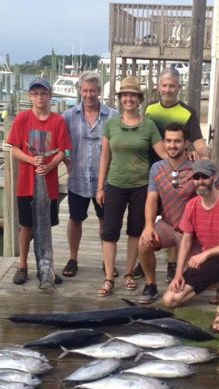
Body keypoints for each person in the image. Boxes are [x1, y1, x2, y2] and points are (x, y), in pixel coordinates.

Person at [133, 66, 215, 283]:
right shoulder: (150, 109)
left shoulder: (188, 112)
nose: (168, 89)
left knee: (175, 217)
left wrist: (205, 158)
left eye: (172, 86)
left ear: (179, 87)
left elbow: (196, 139)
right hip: (153, 171)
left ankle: (172, 264)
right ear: (158, 87)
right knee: (148, 217)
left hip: (178, 170)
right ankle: (144, 261)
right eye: (164, 85)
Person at [138, 123, 219, 304]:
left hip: (194, 233)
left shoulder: (198, 167)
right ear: (164, 142)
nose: (172, 145)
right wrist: (149, 226)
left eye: (177, 141)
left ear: (186, 143)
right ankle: (151, 285)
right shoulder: (157, 168)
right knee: (144, 242)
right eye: (169, 141)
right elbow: (151, 200)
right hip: (168, 225)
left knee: (198, 273)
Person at [162, 159, 219, 333]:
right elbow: (186, 241)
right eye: (196, 177)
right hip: (211, 260)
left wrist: (205, 254)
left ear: (213, 177)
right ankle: (215, 282)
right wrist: (178, 273)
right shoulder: (192, 206)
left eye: (204, 176)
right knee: (170, 299)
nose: (200, 181)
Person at [96, 76, 166, 297]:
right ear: (120, 99)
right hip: (115, 184)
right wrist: (100, 188)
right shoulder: (111, 125)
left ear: (139, 99)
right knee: (109, 233)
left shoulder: (149, 125)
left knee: (135, 231)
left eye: (133, 95)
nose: (129, 99)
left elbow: (164, 153)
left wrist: (186, 158)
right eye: (125, 95)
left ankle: (128, 273)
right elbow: (105, 157)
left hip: (141, 186)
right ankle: (109, 277)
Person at [8, 77, 72, 285]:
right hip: (27, 184)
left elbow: (62, 151)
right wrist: (31, 160)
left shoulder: (58, 121)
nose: (40, 97)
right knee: (26, 226)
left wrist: (49, 165)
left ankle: (46, 268)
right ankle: (22, 266)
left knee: (45, 226)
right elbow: (14, 149)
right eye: (36, 94)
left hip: (49, 184)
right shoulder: (22, 119)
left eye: (44, 93)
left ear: (50, 95)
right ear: (30, 96)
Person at [61, 72, 118, 278]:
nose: (88, 95)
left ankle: (107, 260)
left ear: (99, 92)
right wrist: (64, 158)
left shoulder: (113, 116)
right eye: (84, 90)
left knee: (106, 221)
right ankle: (73, 258)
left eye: (92, 90)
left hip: (106, 180)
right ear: (79, 91)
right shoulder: (68, 116)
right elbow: (58, 141)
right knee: (75, 219)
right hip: (78, 179)